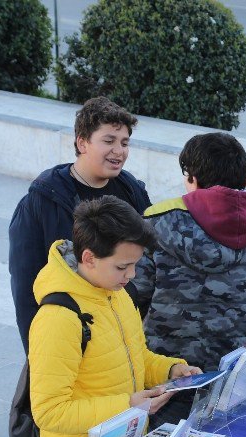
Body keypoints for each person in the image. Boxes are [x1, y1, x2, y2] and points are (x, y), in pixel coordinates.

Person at [29, 195, 201, 437]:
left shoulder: (116, 293)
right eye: (122, 267)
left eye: (134, 265)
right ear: (89, 258)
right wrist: (128, 405)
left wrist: (170, 370)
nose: (131, 275)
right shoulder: (58, 318)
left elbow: (133, 357)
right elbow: (49, 411)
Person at [133, 132, 246, 425]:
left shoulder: (157, 221)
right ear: (244, 176)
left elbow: (137, 290)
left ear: (193, 178)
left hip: (173, 373)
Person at [9, 96, 153, 350]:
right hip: (71, 334)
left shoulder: (133, 192)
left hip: (122, 335)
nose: (119, 151)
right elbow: (26, 285)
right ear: (82, 143)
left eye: (124, 142)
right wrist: (39, 350)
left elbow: (150, 260)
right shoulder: (41, 202)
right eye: (108, 141)